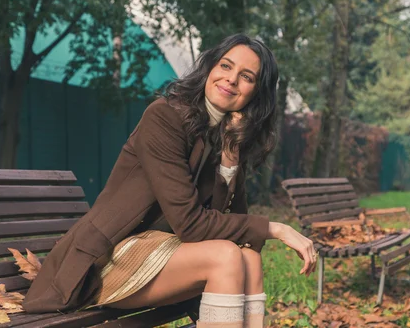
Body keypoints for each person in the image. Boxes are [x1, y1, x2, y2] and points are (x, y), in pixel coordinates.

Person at [22, 33, 318, 328]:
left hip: (164, 251)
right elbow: (192, 226)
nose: (231, 79)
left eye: (246, 76)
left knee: (248, 256)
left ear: (256, 92)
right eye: (225, 66)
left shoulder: (225, 133)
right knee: (225, 256)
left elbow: (233, 222)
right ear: (210, 68)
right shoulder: (164, 117)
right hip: (107, 259)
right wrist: (276, 228)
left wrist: (230, 155)